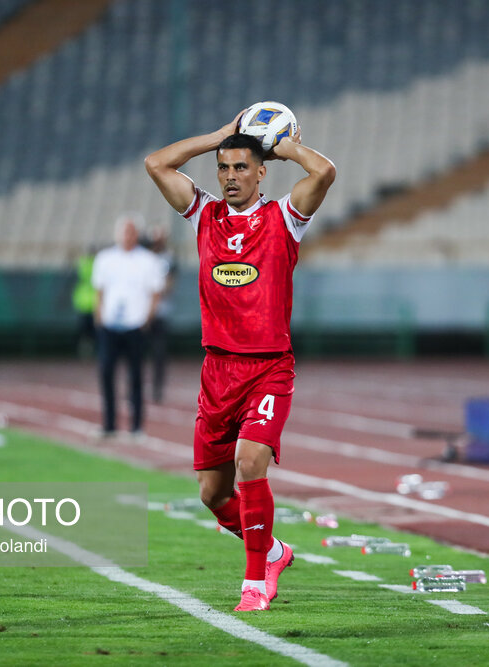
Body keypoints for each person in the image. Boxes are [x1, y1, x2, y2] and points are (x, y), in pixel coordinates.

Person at [145, 110, 336, 612]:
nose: (230, 176)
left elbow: (324, 173)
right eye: (223, 168)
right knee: (212, 494)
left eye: (240, 167)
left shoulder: (285, 219)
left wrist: (285, 144)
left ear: (261, 172)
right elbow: (157, 164)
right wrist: (217, 137)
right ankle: (271, 551)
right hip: (217, 371)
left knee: (250, 460)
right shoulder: (204, 215)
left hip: (269, 367)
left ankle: (255, 583)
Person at [91, 214, 166, 437]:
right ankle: (109, 424)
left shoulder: (148, 261)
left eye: (132, 231)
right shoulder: (105, 259)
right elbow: (99, 292)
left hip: (135, 326)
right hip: (110, 326)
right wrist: (99, 317)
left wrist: (147, 319)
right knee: (106, 373)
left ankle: (136, 427)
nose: (127, 236)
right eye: (124, 231)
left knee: (135, 376)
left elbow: (155, 293)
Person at [145, 224, 175, 403]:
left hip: (160, 312)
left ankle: (157, 389)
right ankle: (137, 387)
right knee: (137, 352)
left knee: (159, 353)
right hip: (142, 312)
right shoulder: (144, 258)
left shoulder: (168, 258)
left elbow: (170, 283)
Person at [71, 246, 98, 358]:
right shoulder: (96, 264)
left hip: (88, 304)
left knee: (87, 332)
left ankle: (86, 351)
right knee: (91, 332)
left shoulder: (84, 264)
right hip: (91, 304)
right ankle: (90, 351)